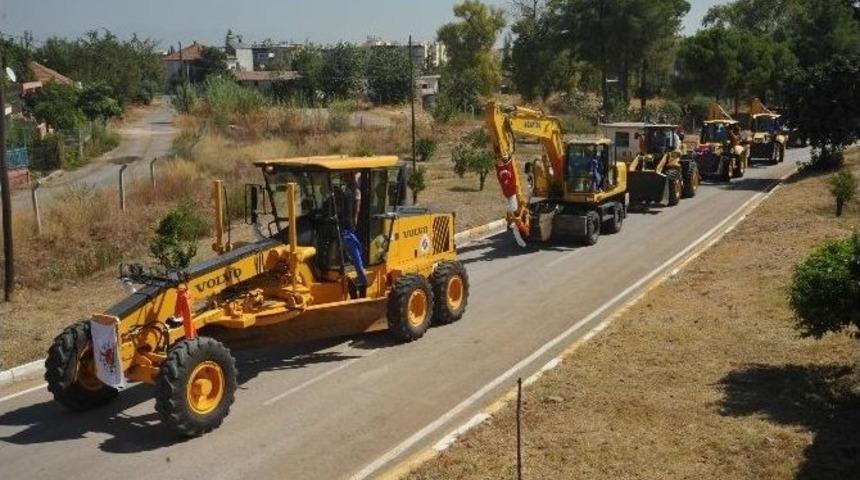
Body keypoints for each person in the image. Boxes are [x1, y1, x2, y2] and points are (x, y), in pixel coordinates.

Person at [336, 172, 368, 290]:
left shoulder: (353, 191)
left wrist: (354, 223)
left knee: (353, 248)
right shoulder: (347, 190)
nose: (344, 177)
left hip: (349, 225)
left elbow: (356, 210)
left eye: (346, 175)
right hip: (346, 224)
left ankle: (362, 277)